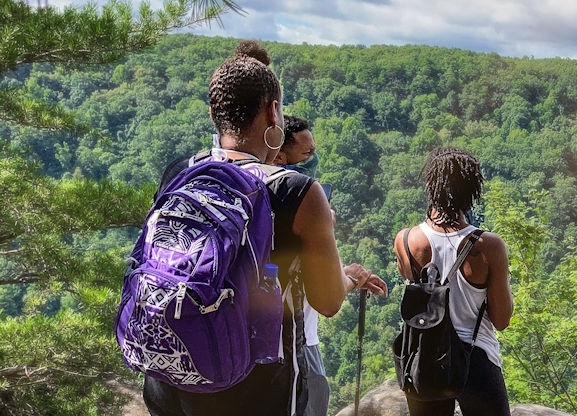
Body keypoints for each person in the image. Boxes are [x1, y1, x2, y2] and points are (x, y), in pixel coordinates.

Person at [144, 40, 387, 416]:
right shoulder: (298, 192)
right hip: (254, 387)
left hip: (172, 373)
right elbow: (327, 301)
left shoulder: (181, 171)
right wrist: (350, 277)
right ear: (273, 112)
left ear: (214, 113)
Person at [393, 147, 514, 416]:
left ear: (430, 186)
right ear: (472, 190)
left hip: (423, 357)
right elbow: (502, 319)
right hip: (476, 357)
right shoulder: (488, 246)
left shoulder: (405, 241)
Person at [271, 114, 331, 416]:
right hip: (297, 344)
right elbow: (328, 300)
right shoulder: (303, 200)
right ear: (280, 156)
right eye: (307, 153)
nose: (313, 158)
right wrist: (348, 279)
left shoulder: (250, 194)